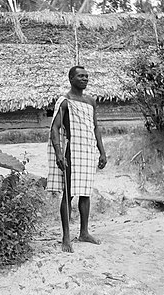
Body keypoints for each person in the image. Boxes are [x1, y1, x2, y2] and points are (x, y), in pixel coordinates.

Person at [47, 65, 107, 253]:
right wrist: (58, 153)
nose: (85, 79)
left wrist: (102, 151)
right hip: (72, 151)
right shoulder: (65, 101)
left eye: (87, 76)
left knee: (85, 192)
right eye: (80, 76)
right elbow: (54, 128)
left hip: (88, 151)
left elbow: (95, 127)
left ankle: (84, 232)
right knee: (69, 193)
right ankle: (66, 237)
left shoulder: (90, 101)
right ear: (71, 79)